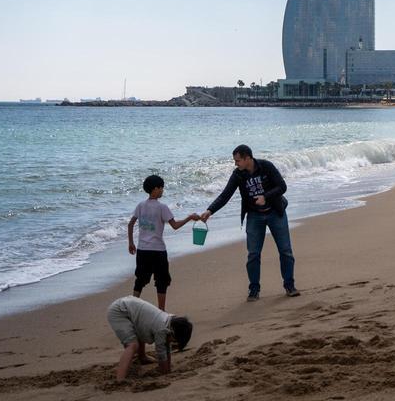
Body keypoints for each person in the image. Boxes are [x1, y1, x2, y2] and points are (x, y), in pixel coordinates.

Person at [199, 145, 298, 301]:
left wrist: (265, 197)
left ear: (247, 158)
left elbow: (282, 187)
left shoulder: (266, 166)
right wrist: (209, 211)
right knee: (253, 254)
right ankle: (254, 290)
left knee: (285, 251)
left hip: (275, 212)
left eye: (237, 160)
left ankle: (289, 286)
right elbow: (225, 195)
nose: (235, 164)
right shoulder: (238, 175)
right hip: (254, 216)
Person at [128, 175, 198, 310]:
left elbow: (130, 224)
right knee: (162, 281)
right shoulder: (162, 207)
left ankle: (132, 307)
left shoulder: (141, 206)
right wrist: (190, 217)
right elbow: (175, 225)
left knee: (140, 279)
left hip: (142, 249)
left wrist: (131, 243)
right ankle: (161, 310)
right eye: (161, 188)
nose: (162, 190)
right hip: (158, 250)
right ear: (155, 189)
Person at [106, 295, 193, 379]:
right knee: (132, 345)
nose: (171, 342)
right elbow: (161, 352)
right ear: (172, 333)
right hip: (119, 311)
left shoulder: (169, 321)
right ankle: (120, 378)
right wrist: (165, 372)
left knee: (142, 328)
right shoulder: (162, 329)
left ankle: (142, 357)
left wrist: (168, 369)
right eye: (174, 341)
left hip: (130, 307)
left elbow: (167, 347)